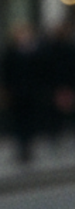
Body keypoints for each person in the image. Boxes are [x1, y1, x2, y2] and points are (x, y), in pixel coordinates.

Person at [1, 24, 46, 164]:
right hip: (17, 94)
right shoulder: (11, 53)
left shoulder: (34, 53)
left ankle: (28, 147)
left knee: (30, 121)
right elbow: (7, 74)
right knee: (19, 122)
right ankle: (22, 148)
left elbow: (40, 73)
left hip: (31, 94)